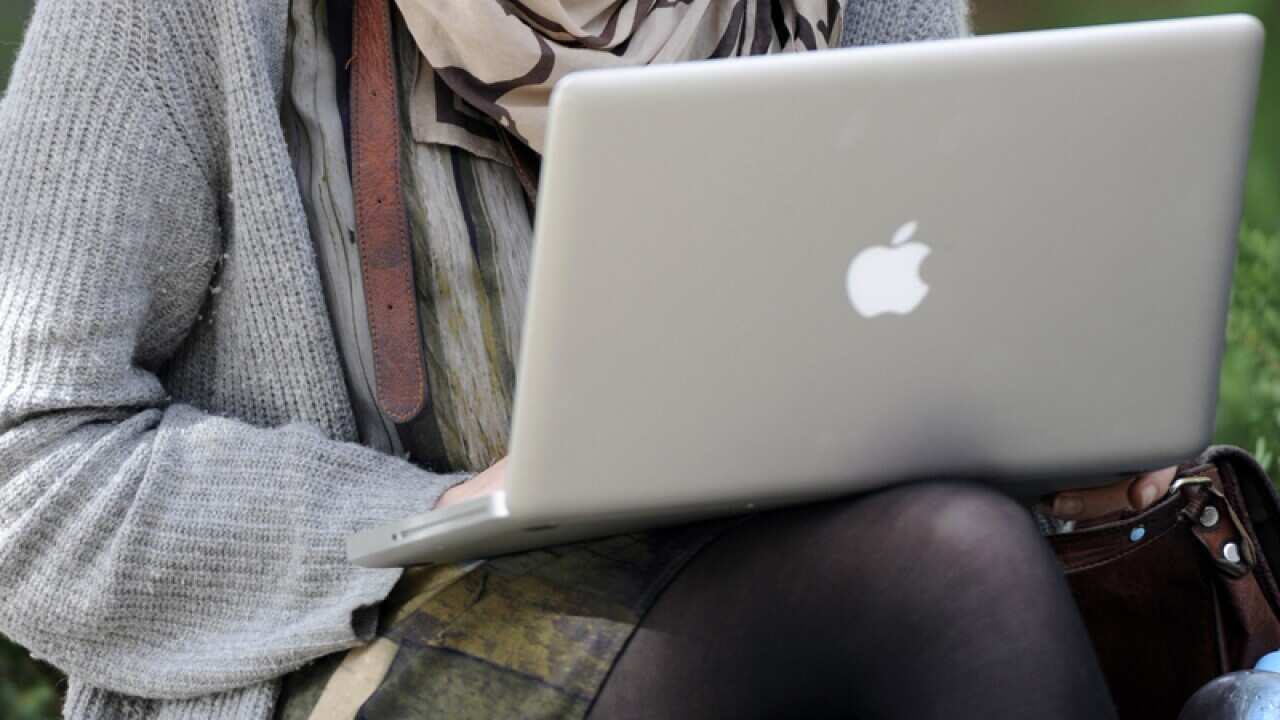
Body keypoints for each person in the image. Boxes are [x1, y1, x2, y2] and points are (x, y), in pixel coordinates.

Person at [0, 0, 1175, 718]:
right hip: (342, 659)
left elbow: (902, 316)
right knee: (944, 573)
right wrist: (424, 516)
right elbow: (27, 479)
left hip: (785, 590)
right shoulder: (161, 16)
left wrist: (1032, 448)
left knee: (952, 548)